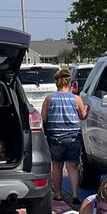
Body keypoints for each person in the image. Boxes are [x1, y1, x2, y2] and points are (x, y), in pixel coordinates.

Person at [40, 67, 88, 206]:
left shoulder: (49, 99)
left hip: (55, 137)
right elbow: (83, 116)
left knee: (57, 166)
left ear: (57, 83)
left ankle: (58, 194)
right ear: (69, 83)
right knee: (72, 167)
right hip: (73, 137)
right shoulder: (76, 99)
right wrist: (87, 110)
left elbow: (43, 118)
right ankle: (75, 195)